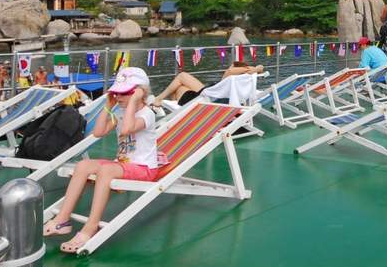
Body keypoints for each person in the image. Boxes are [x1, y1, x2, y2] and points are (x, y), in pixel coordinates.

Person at [42, 67, 160, 254]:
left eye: (125, 93)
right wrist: (108, 105)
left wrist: (135, 101)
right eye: (117, 93)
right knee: (83, 165)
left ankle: (91, 227)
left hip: (144, 169)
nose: (119, 97)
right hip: (123, 165)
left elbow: (128, 129)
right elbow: (98, 132)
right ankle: (62, 220)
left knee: (106, 171)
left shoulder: (147, 114)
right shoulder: (120, 111)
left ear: (141, 92)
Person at [152, 60, 264, 107]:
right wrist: (255, 68)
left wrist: (250, 69)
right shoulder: (241, 79)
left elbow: (230, 71)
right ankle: (172, 107)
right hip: (209, 92)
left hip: (207, 96)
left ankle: (159, 100)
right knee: (179, 85)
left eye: (232, 65)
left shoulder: (230, 76)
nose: (229, 67)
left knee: (180, 80)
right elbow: (261, 68)